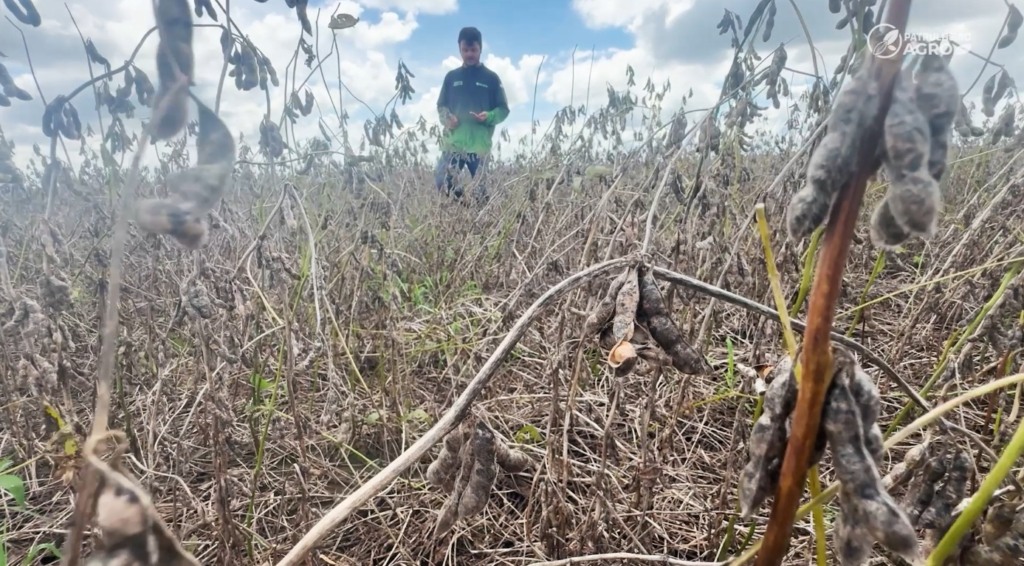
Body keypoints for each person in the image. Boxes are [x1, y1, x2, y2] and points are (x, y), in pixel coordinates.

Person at [434, 26, 509, 204]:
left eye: (473, 50)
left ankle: (480, 221)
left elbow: (503, 109)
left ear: (480, 48)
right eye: (465, 50)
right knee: (441, 181)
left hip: (479, 146)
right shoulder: (451, 78)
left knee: (481, 193)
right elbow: (441, 105)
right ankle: (464, 210)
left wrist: (489, 116)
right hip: (454, 144)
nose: (469, 54)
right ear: (459, 49)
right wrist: (447, 119)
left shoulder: (491, 78)